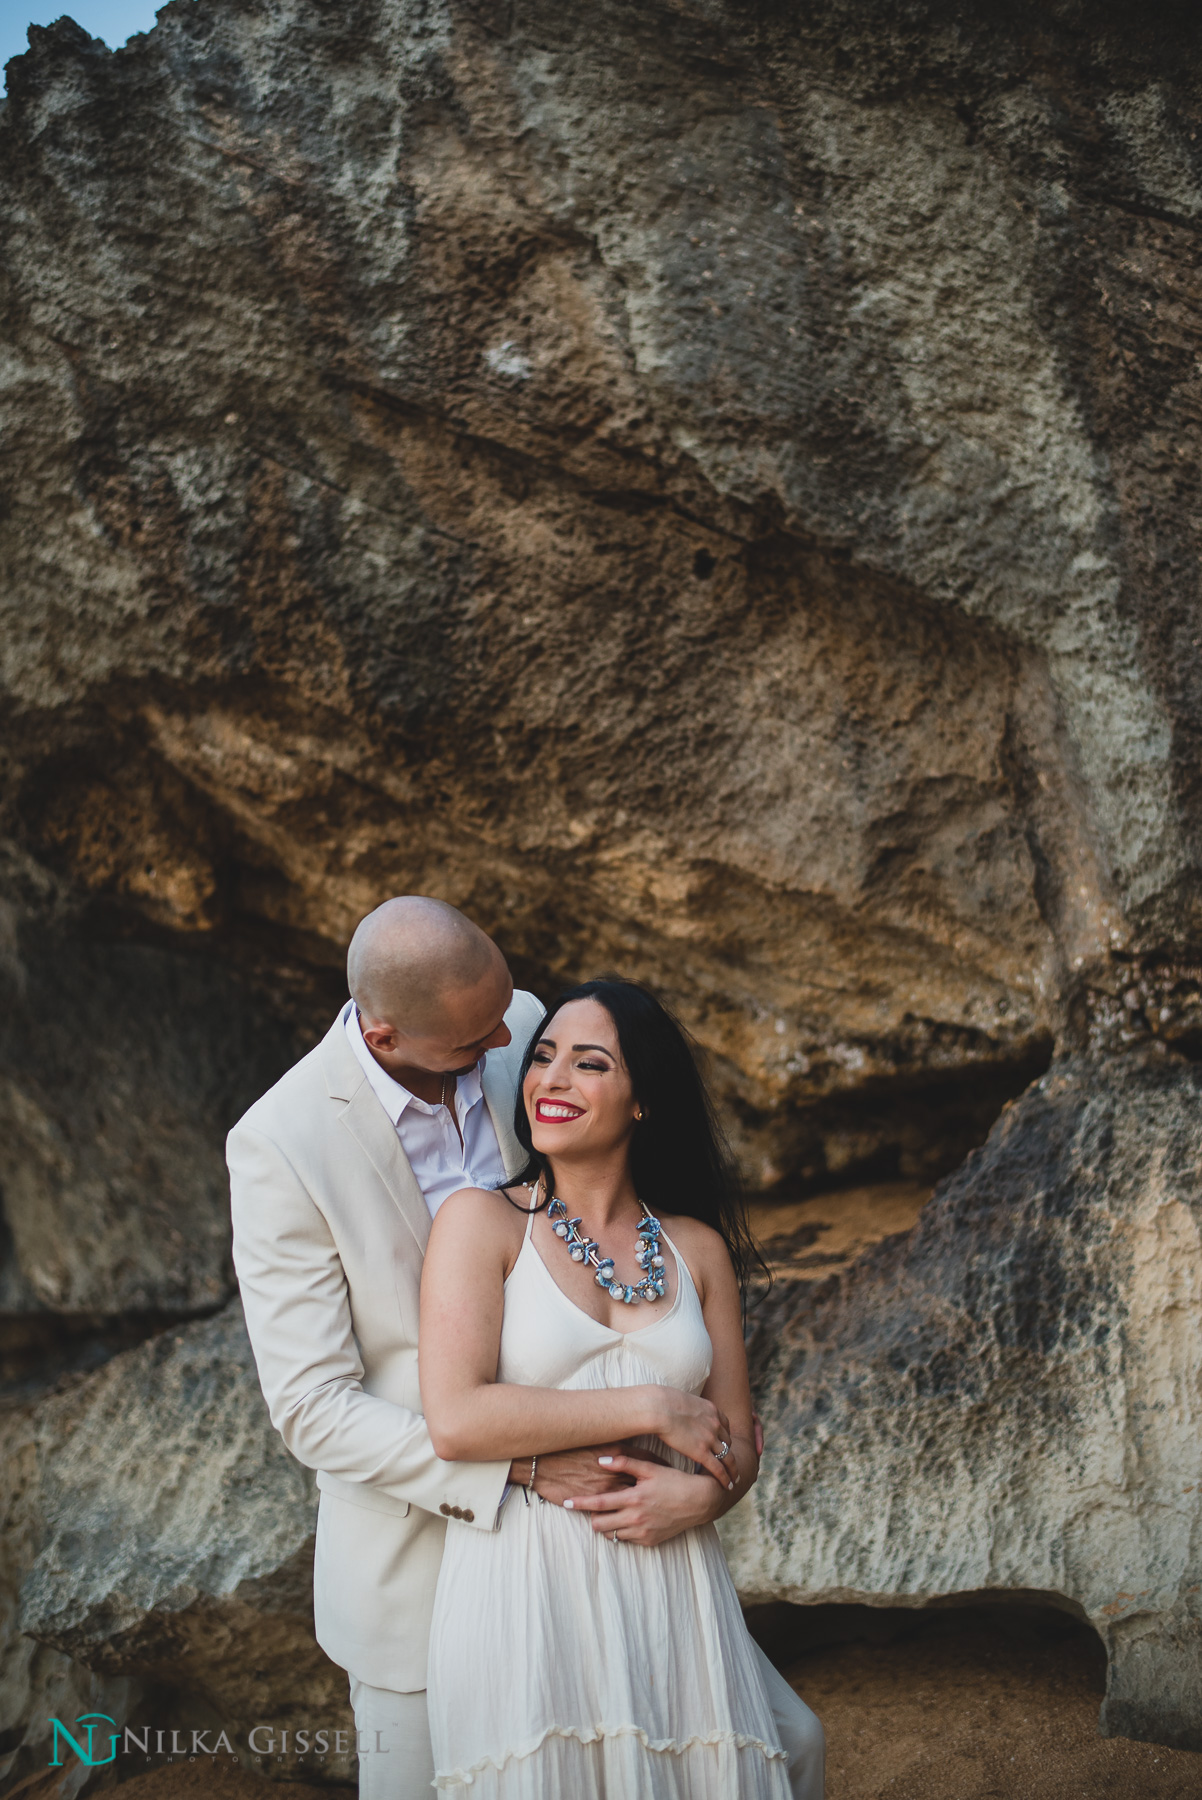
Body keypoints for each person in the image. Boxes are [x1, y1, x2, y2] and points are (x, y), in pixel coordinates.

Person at [227, 899, 809, 1800]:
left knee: (785, 1748)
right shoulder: (281, 1144)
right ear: (385, 1036)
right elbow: (312, 1407)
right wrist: (524, 1468)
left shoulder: (525, 1033)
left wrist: (703, 1486)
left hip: (622, 1551)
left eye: (515, 1021)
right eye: (482, 1040)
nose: (511, 1041)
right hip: (421, 1550)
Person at [420, 977, 824, 1798]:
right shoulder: (482, 1224)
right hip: (526, 1577)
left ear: (643, 1100)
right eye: (542, 1057)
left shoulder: (698, 1250)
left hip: (674, 1580)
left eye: (589, 1062)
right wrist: (650, 1405)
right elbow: (457, 1420)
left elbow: (738, 1443)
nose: (552, 1079)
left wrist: (705, 1501)